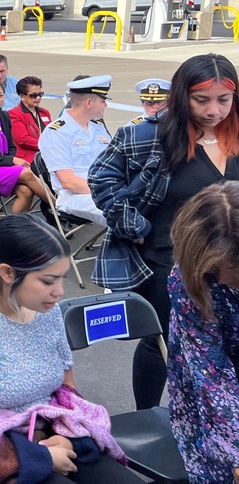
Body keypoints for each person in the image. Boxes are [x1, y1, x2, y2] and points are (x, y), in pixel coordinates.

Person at [0, 214, 137, 484]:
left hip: (49, 434)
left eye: (62, 279)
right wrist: (40, 456)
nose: (59, 292)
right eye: (48, 281)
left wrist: (64, 437)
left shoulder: (44, 309)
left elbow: (66, 390)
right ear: (7, 272)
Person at [90, 54, 239, 410]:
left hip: (232, 267)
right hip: (169, 263)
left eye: (223, 100)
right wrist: (132, 225)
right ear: (182, 96)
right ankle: (148, 419)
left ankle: (219, 420)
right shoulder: (148, 134)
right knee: (161, 342)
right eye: (201, 100)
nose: (213, 110)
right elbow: (101, 177)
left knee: (227, 343)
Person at [165, 182, 239, 484]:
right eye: (233, 272)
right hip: (216, 398)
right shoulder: (188, 282)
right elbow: (213, 376)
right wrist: (236, 453)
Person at [0, 80, 54, 214]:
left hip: (5, 166)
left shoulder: (4, 116)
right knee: (26, 172)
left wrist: (11, 159)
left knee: (26, 192)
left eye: (0, 95)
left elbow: (12, 146)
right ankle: (58, 206)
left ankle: (15, 229)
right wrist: (11, 160)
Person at [39, 75, 113, 226]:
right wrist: (109, 191)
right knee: (121, 211)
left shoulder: (98, 129)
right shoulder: (57, 132)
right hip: (74, 196)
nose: (106, 105)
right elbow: (68, 182)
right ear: (89, 103)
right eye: (103, 100)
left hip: (102, 190)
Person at [9, 76, 52, 164]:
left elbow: (52, 133)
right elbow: (23, 140)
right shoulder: (14, 114)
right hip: (28, 159)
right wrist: (47, 145)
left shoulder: (45, 112)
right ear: (22, 96)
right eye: (33, 95)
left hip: (48, 155)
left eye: (40, 94)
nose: (38, 98)